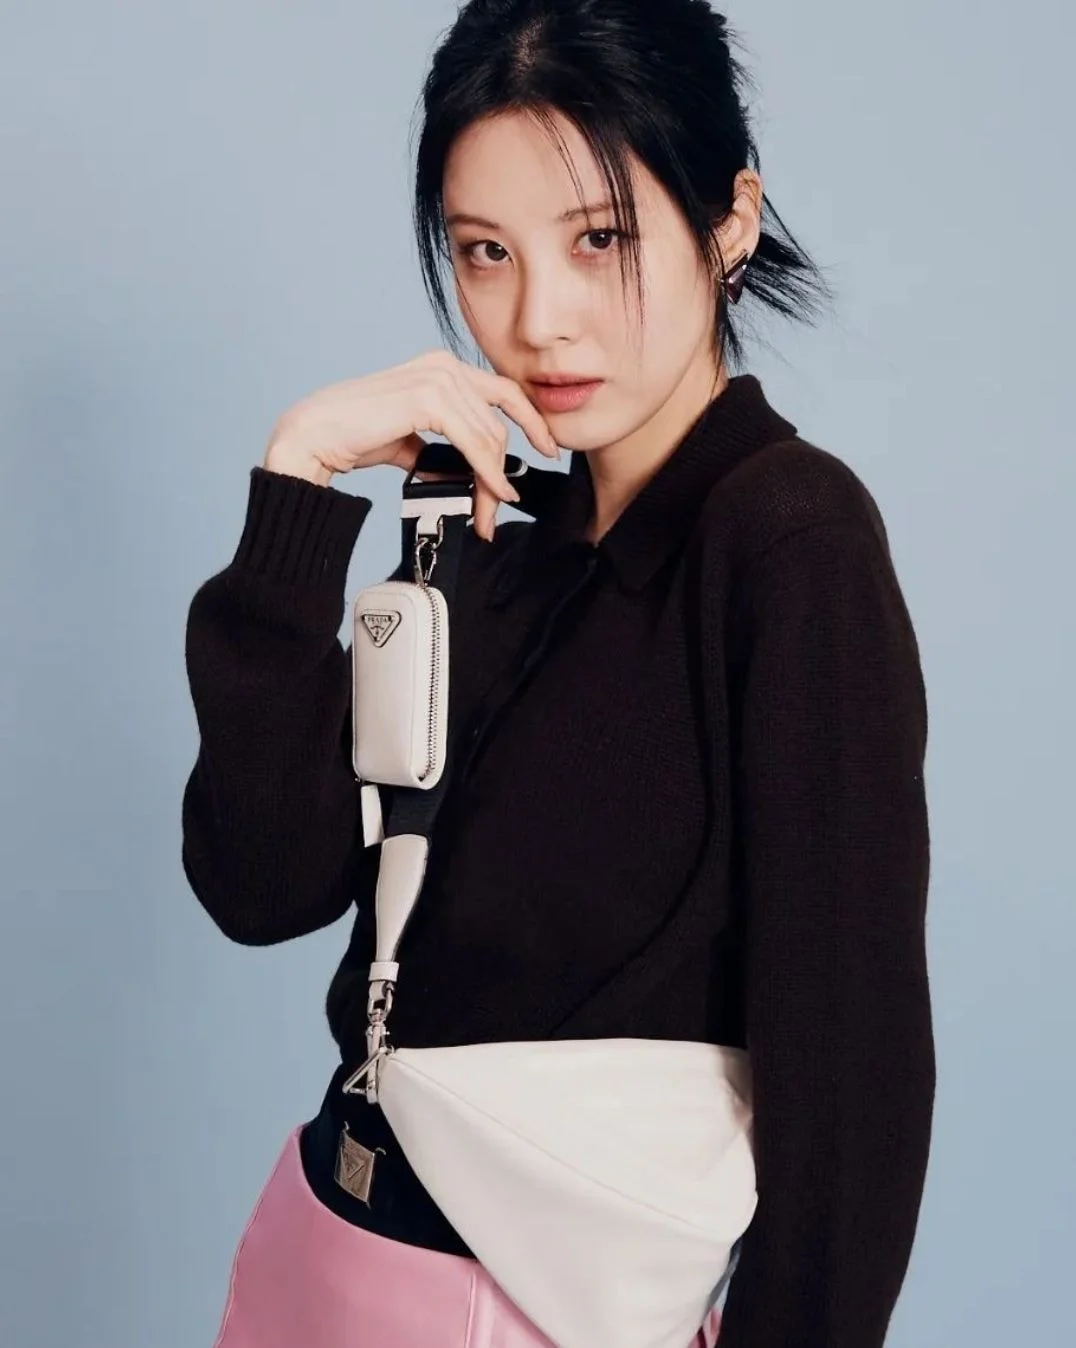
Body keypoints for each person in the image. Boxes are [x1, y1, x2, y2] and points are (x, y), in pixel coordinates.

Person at [181, 2, 936, 1345]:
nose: (538, 321)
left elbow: (853, 1089)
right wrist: (299, 478)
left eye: (601, 239)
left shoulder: (786, 541)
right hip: (322, 1258)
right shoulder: (487, 542)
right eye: (486, 252)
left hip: (533, 1308)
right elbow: (261, 884)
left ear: (730, 221)